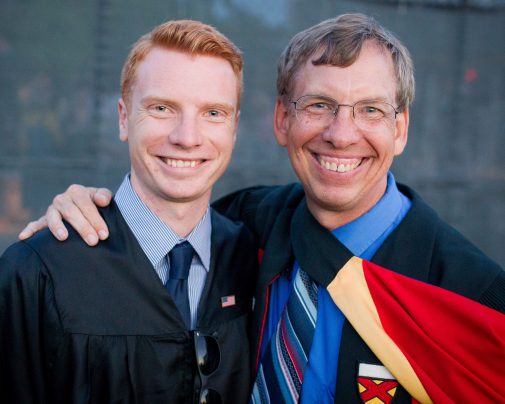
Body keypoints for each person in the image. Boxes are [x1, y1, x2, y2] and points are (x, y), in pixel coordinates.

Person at [18, 13, 505, 403]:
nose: (340, 133)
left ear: (400, 129)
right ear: (281, 120)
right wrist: (83, 209)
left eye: (371, 110)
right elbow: (165, 207)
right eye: (318, 105)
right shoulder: (250, 224)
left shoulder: (473, 294)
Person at [0, 20, 258, 403]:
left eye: (213, 113)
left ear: (234, 129)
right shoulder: (39, 272)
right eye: (161, 108)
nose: (187, 137)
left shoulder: (253, 254)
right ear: (124, 118)